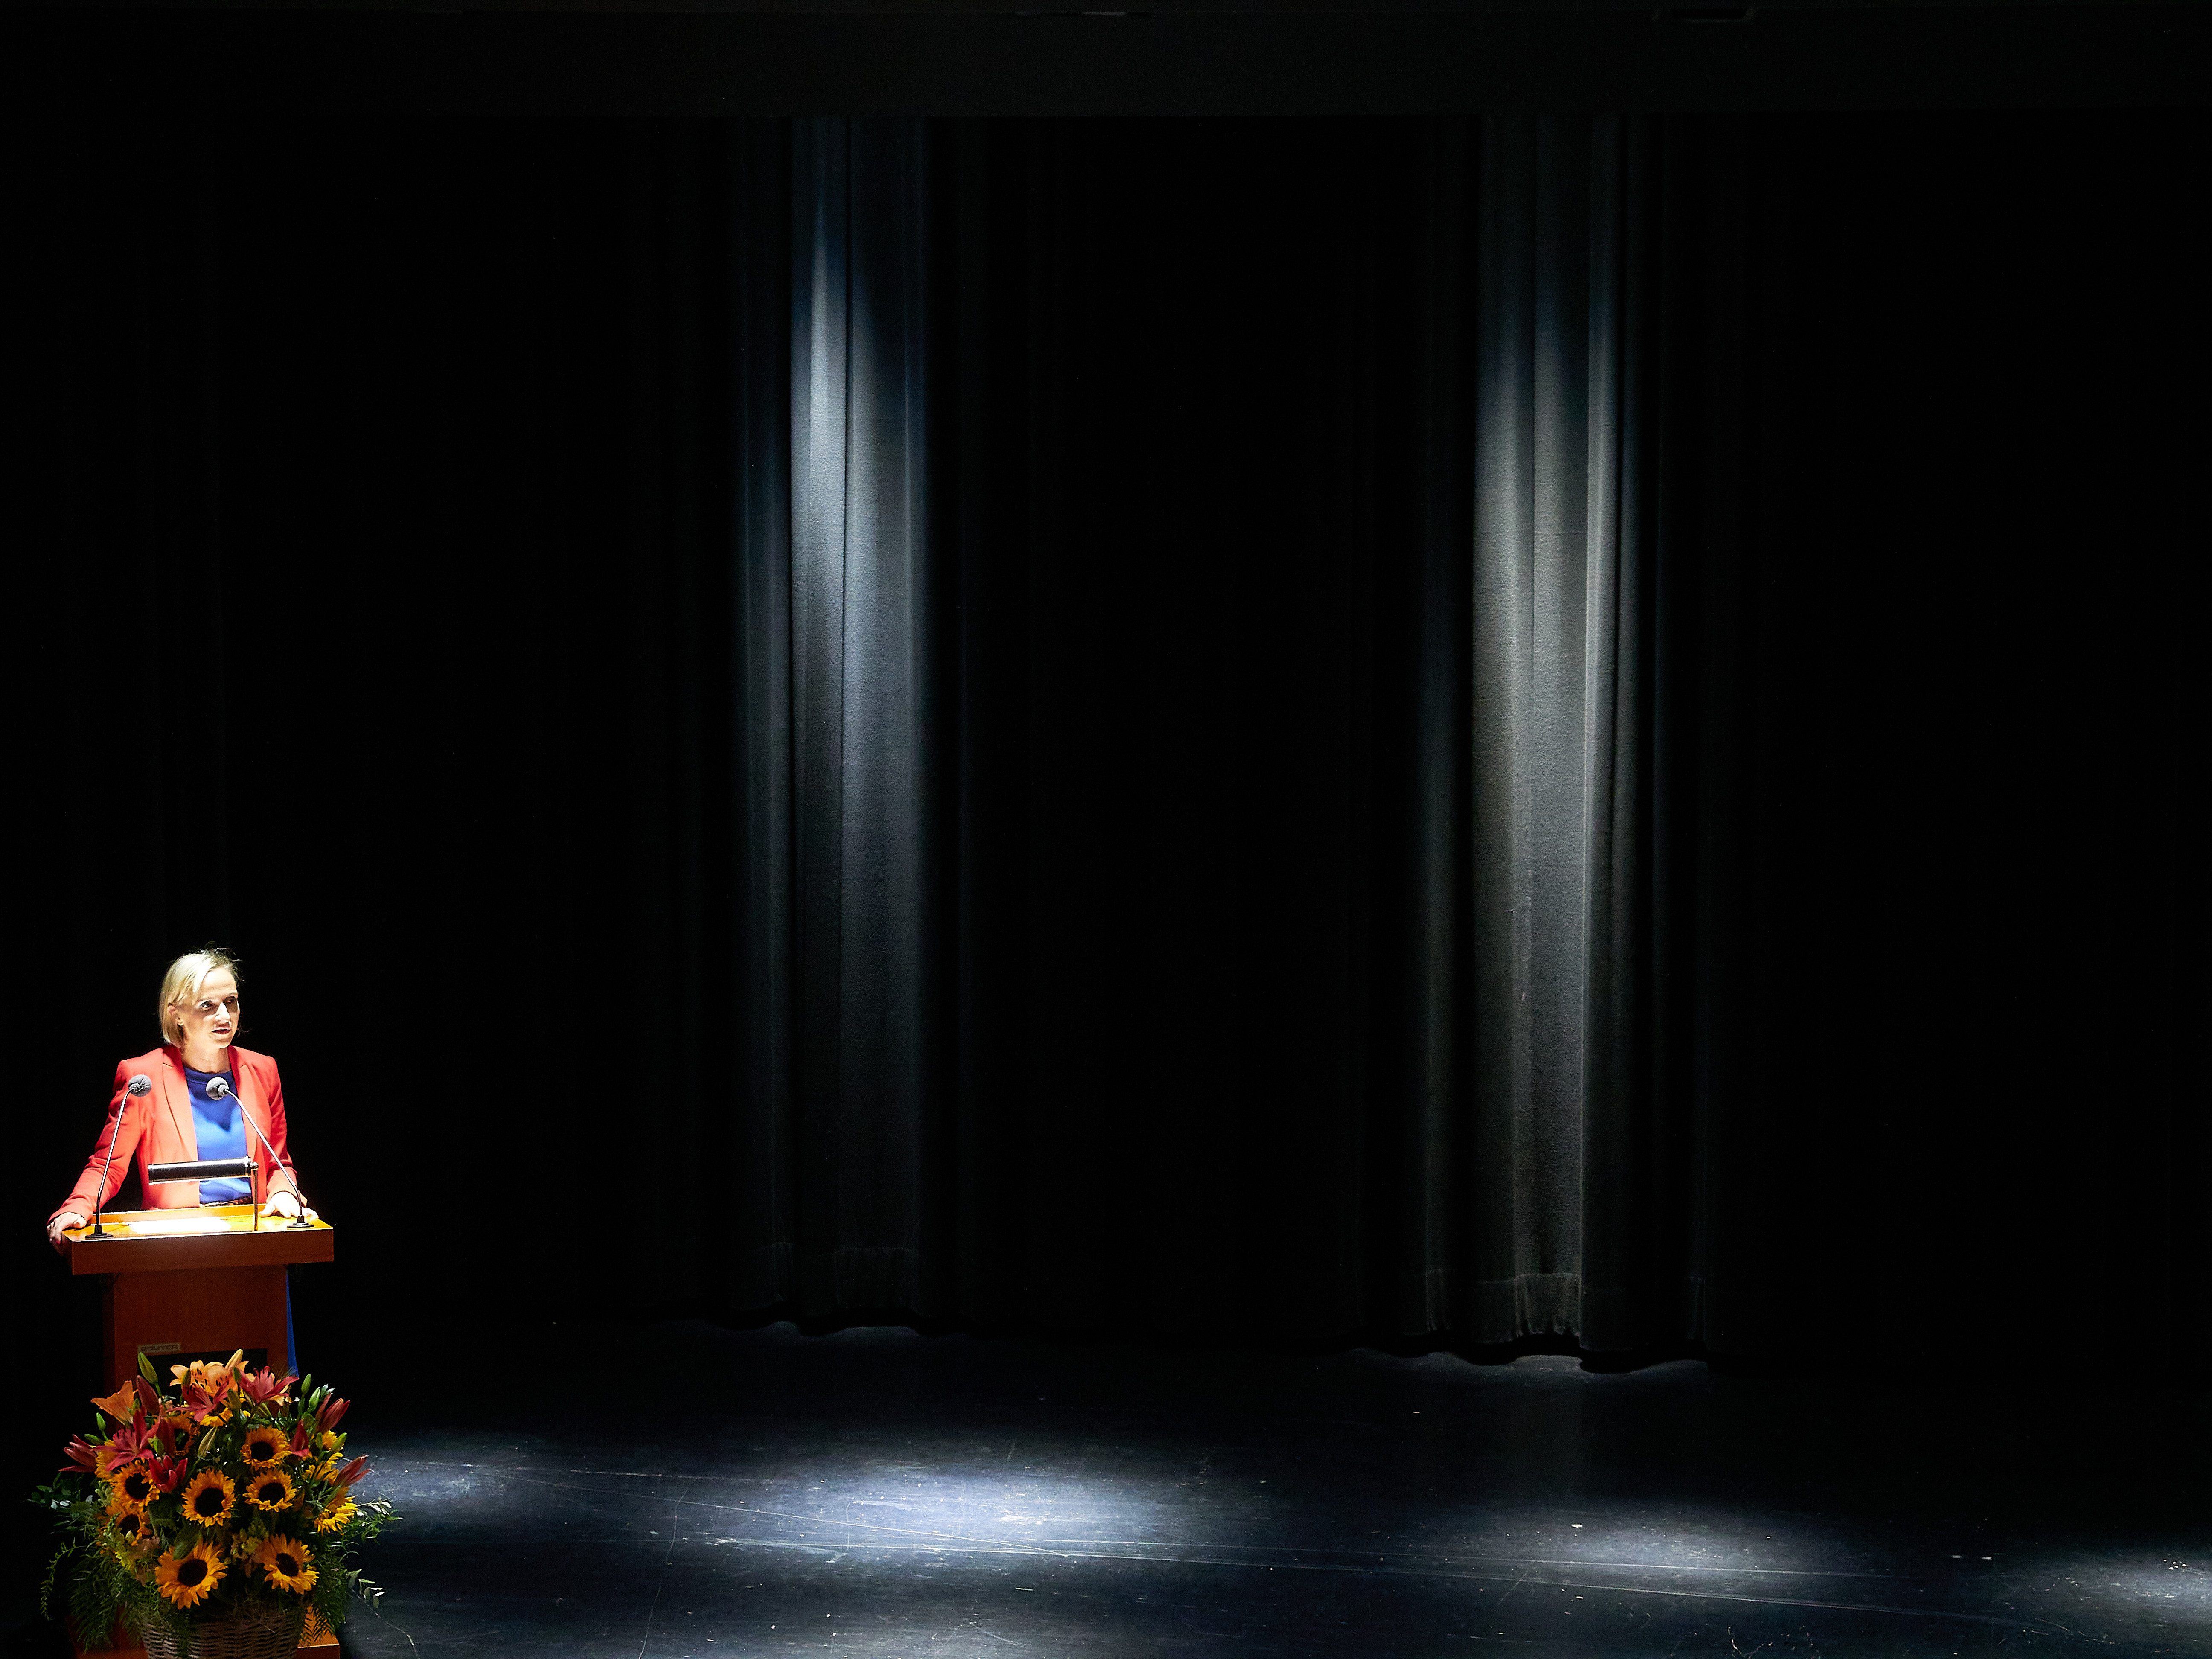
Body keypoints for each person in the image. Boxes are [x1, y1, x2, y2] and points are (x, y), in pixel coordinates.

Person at [46, 949, 317, 1253]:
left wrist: (283, 1193)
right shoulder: (142, 1077)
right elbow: (108, 1165)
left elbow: (278, 1162)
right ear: (176, 1014)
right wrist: (77, 1207)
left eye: (231, 1001)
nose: (224, 1016)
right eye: (207, 1006)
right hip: (177, 1244)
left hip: (254, 1232)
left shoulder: (262, 1070)